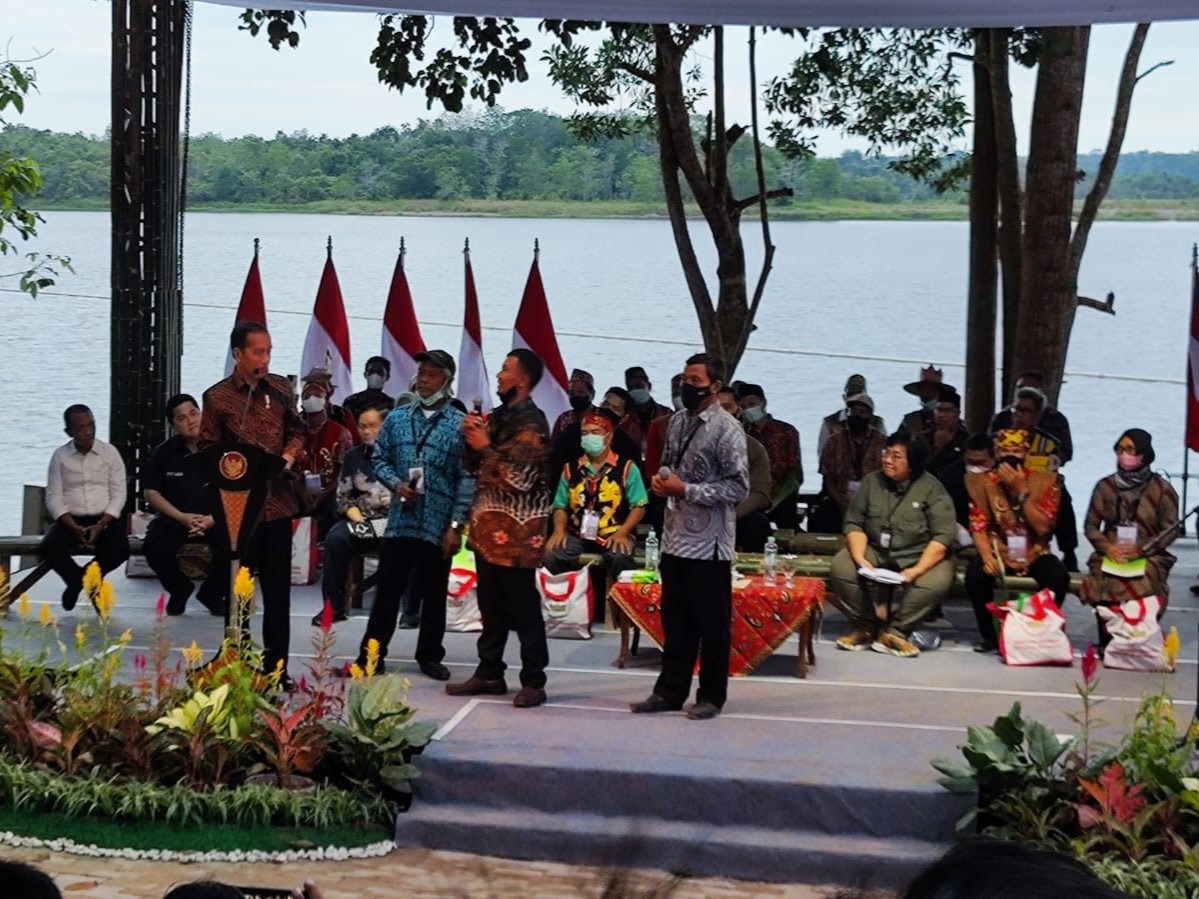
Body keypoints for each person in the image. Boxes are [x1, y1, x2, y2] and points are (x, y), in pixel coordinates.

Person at [631, 352, 749, 720]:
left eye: (696, 381)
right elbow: (673, 466)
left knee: (711, 625)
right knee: (676, 621)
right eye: (685, 379)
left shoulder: (728, 429)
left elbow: (739, 487)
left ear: (715, 387)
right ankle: (669, 691)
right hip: (675, 536)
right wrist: (661, 481)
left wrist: (688, 490)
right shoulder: (678, 421)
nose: (688, 386)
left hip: (710, 544)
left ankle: (711, 695)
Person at [352, 350, 474, 681]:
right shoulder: (396, 418)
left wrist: (456, 525)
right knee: (388, 592)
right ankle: (370, 657)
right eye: (421, 372)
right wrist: (396, 483)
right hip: (400, 520)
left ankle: (430, 656)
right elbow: (379, 460)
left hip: (438, 524)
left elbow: (466, 478)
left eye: (432, 374)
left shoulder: (457, 425)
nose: (423, 379)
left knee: (434, 593)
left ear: (447, 380)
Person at [200, 320, 305, 686]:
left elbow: (297, 430)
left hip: (276, 505)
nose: (265, 358)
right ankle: (240, 662)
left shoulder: (279, 388)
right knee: (239, 592)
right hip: (237, 511)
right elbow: (206, 447)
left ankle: (278, 670)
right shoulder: (216, 397)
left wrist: (288, 457)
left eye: (269, 351)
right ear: (238, 354)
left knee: (278, 595)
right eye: (258, 352)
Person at [447, 348, 554, 708]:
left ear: (522, 380)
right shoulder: (498, 417)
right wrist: (471, 438)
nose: (499, 375)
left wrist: (486, 446)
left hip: (519, 537)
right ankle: (489, 671)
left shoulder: (533, 424)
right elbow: (472, 465)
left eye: (506, 370)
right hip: (487, 529)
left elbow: (521, 479)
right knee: (490, 607)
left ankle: (533, 680)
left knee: (523, 608)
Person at [830, 430, 956, 658]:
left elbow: (941, 538)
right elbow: (854, 524)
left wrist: (917, 570)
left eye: (896, 456)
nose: (887, 460)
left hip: (918, 553)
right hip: (876, 550)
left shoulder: (933, 489)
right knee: (842, 567)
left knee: (938, 580)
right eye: (886, 453)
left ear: (913, 463)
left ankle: (896, 631)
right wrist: (860, 559)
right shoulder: (871, 483)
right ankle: (866, 626)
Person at [964, 428, 1069, 653]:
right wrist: (986, 557)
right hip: (999, 550)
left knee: (1059, 577)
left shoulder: (1045, 481)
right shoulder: (982, 483)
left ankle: (1040, 628)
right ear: (996, 454)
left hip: (1035, 550)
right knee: (975, 576)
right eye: (1005, 450)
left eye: (1017, 450)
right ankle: (990, 636)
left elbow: (1043, 527)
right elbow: (978, 526)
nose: (1011, 455)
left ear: (1026, 453)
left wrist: (1021, 492)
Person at [544, 407, 648, 618]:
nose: (589, 437)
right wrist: (558, 530)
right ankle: (561, 611)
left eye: (595, 433)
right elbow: (560, 506)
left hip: (614, 532)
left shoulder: (627, 468)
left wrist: (623, 532)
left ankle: (623, 616)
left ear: (609, 437)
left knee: (620, 557)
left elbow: (639, 505)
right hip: (576, 532)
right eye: (585, 433)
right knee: (551, 554)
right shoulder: (570, 469)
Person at [142, 393, 226, 617]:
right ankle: (179, 589)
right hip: (177, 520)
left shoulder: (222, 447)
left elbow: (236, 489)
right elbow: (151, 492)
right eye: (181, 418)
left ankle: (212, 593)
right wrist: (181, 517)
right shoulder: (164, 453)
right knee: (153, 546)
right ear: (173, 425)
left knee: (244, 544)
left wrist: (212, 518)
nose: (190, 421)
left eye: (193, 413)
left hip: (216, 518)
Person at [41, 403, 129, 611]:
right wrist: (73, 527)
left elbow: (119, 494)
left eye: (91, 425)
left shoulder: (110, 453)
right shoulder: (60, 457)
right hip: (71, 520)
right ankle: (77, 581)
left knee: (120, 550)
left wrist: (101, 524)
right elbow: (53, 497)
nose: (88, 431)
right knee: (49, 548)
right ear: (68, 432)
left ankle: (89, 579)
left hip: (104, 519)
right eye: (81, 427)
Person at [1081, 429, 1178, 615]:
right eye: (1120, 449)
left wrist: (1141, 550)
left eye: (1130, 449)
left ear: (1144, 454)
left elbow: (1171, 530)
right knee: (1102, 577)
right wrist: (1108, 548)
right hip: (1111, 552)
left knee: (1147, 578)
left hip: (1149, 555)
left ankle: (1140, 630)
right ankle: (1108, 631)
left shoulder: (1163, 490)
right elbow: (1090, 526)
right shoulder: (1105, 486)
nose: (1124, 454)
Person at [312, 400, 392, 625]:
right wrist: (359, 520)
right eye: (362, 426)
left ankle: (403, 610)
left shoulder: (401, 456)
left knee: (404, 543)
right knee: (335, 538)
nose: (366, 431)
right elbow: (344, 498)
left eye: (372, 426)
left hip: (394, 523)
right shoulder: (353, 456)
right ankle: (333, 608)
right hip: (362, 520)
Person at [999, 383, 1079, 570]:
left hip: (1038, 485)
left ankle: (1068, 551)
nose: (1019, 414)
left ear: (1037, 416)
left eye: (1025, 411)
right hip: (1003, 482)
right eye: (1016, 409)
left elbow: (1061, 460)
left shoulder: (1047, 443)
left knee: (1064, 499)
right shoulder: (999, 437)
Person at [814, 392, 885, 534]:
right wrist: (841, 503)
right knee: (820, 517)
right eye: (852, 411)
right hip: (839, 498)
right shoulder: (834, 441)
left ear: (870, 417)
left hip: (873, 501)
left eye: (862, 412)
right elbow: (828, 479)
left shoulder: (882, 441)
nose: (856, 416)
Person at [737, 383, 802, 531]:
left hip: (781, 494)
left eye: (752, 404)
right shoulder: (739, 433)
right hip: (751, 495)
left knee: (788, 521)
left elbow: (794, 474)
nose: (748, 409)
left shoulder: (786, 432)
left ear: (763, 403)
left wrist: (777, 499)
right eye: (744, 406)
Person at [298, 368, 353, 538]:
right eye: (308, 394)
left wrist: (322, 496)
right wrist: (302, 493)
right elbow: (290, 468)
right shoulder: (296, 428)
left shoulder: (341, 424)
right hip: (300, 489)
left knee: (334, 507)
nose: (312, 397)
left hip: (330, 490)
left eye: (319, 389)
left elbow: (344, 472)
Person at [716, 386, 772, 551]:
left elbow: (760, 493)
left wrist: (732, 514)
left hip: (739, 511)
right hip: (700, 509)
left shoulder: (754, 448)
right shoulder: (690, 444)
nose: (722, 413)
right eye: (717, 408)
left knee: (757, 524)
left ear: (737, 411)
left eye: (727, 407)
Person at [817, 373, 886, 465]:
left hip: (870, 475)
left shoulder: (877, 422)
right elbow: (823, 454)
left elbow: (885, 451)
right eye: (851, 394)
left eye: (859, 393)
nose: (855, 398)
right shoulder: (830, 422)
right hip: (839, 476)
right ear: (844, 397)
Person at [623, 365, 672, 456]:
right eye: (631, 388)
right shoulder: (624, 417)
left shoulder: (666, 414)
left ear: (649, 386)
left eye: (639, 386)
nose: (635, 390)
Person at [925, 385, 968, 478]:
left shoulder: (966, 440)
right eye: (939, 410)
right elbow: (920, 468)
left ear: (957, 413)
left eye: (947, 411)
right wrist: (937, 447)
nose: (941, 415)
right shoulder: (925, 437)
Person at [341, 355, 395, 425]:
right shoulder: (351, 402)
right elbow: (345, 428)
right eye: (371, 371)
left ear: (387, 376)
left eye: (380, 372)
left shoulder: (392, 405)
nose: (375, 375)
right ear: (365, 374)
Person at [900, 364, 947, 441]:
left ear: (938, 390)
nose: (925, 390)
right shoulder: (910, 418)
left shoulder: (948, 418)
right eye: (922, 387)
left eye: (930, 387)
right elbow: (897, 443)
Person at [550, 368, 597, 442]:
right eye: (571, 393)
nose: (576, 395)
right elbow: (553, 446)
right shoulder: (563, 419)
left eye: (581, 392)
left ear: (592, 394)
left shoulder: (602, 417)